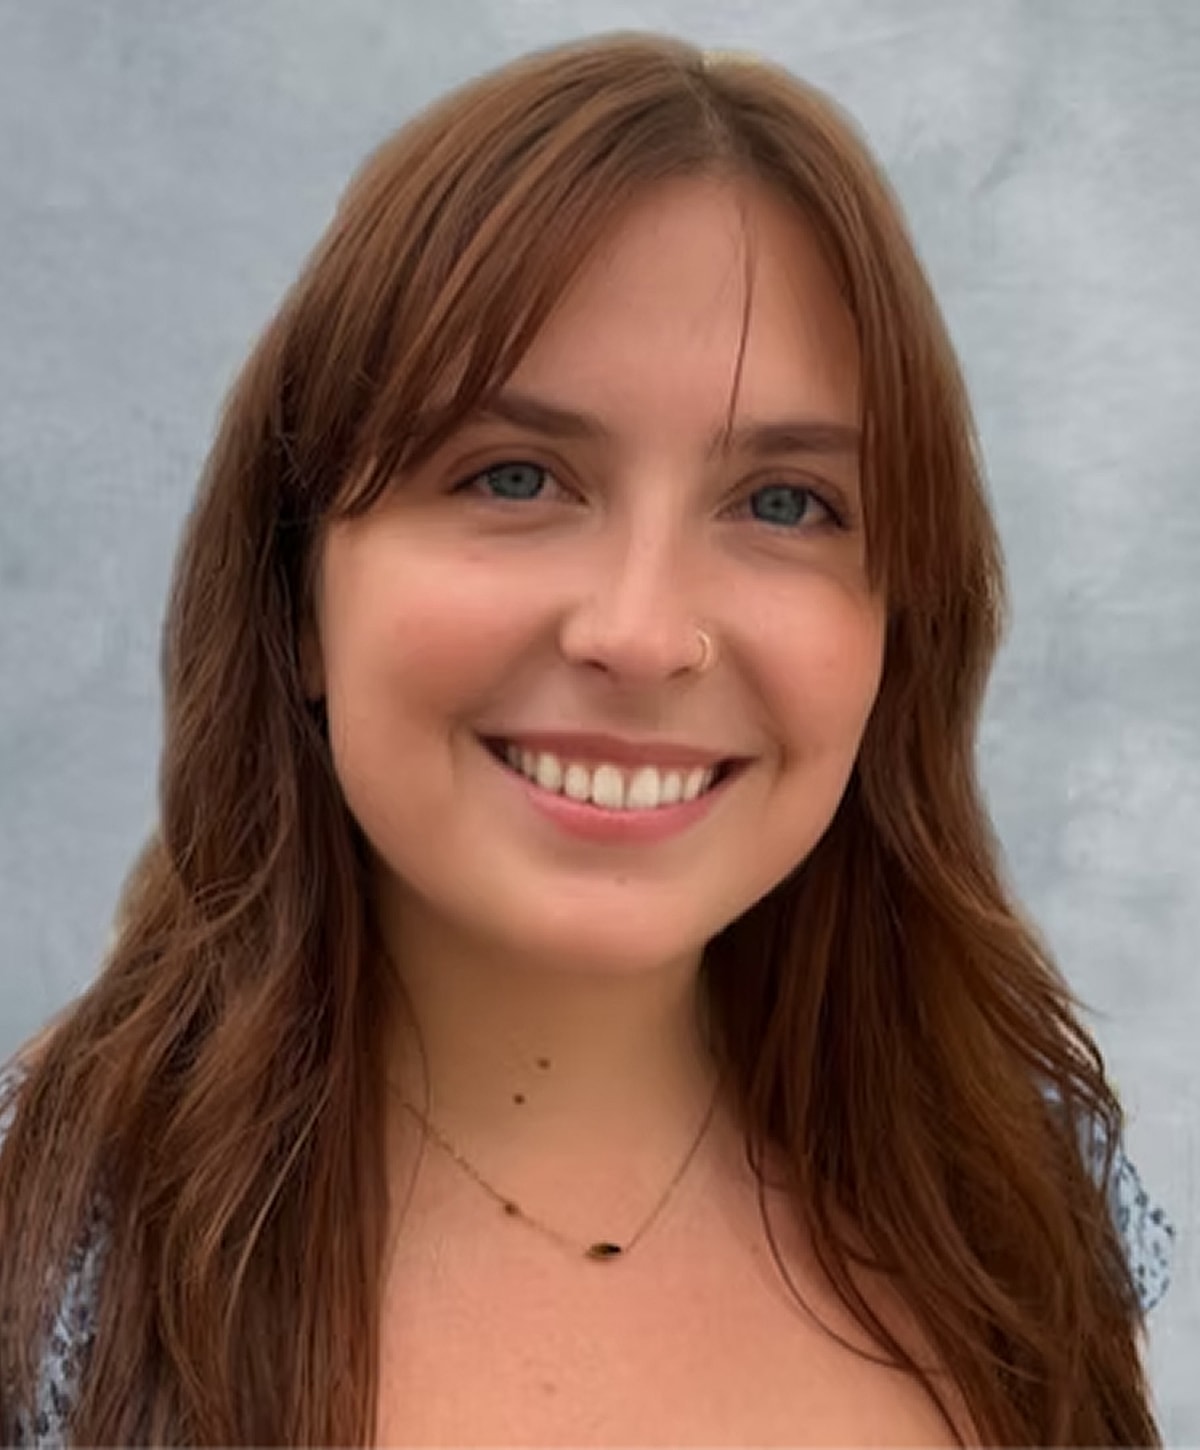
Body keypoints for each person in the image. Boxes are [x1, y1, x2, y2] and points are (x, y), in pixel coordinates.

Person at [0, 30, 1176, 1447]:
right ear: (298, 594)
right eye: (514, 474)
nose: (644, 629)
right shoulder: (50, 1242)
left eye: (786, 502)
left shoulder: (1024, 1189)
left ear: (896, 629)